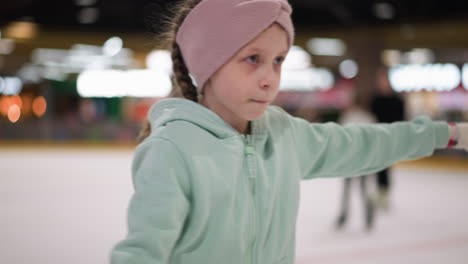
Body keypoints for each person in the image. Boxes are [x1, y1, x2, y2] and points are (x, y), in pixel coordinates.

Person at [110, 1, 468, 263]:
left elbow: (363, 143)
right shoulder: (172, 151)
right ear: (208, 63)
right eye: (252, 59)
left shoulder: (282, 135)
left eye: (278, 60)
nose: (270, 78)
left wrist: (446, 133)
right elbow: (143, 252)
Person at [335, 94, 377, 231]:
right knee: (361, 190)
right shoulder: (367, 118)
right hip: (361, 160)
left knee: (350, 191)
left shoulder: (350, 117)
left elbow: (341, 139)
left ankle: (345, 216)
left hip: (352, 160)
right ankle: (365, 216)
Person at [371, 67, 406, 210]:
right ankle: (380, 193)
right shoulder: (375, 99)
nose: (381, 82)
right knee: (378, 166)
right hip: (377, 138)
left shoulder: (397, 100)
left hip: (391, 138)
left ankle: (384, 194)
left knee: (386, 167)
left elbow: (401, 120)